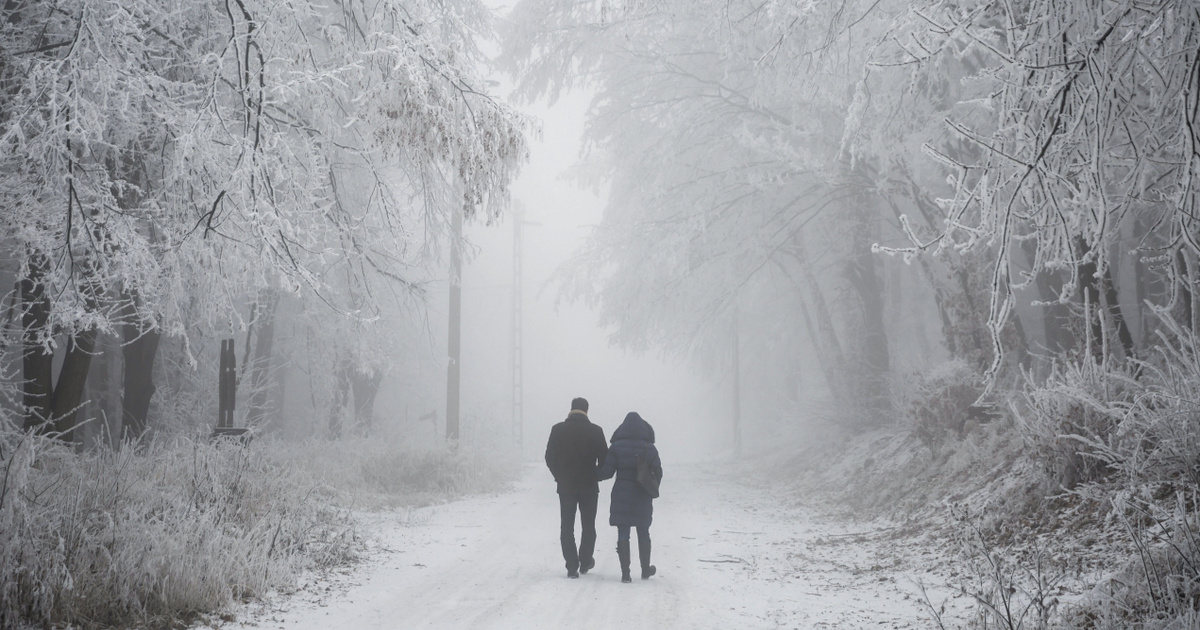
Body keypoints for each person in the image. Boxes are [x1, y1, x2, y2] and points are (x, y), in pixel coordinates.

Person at [544, 397, 608, 578]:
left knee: (567, 527)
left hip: (566, 486)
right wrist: (596, 475)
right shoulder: (596, 431)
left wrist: (559, 476)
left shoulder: (558, 429)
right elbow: (605, 459)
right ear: (587, 411)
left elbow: (549, 457)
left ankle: (572, 566)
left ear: (571, 409)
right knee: (588, 526)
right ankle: (585, 562)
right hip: (589, 486)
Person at [597, 411, 662, 583]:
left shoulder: (616, 447)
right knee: (643, 530)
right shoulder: (650, 448)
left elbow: (606, 472)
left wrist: (589, 474)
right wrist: (651, 487)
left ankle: (625, 574)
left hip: (622, 494)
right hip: (643, 494)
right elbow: (658, 472)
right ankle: (645, 570)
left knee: (623, 532)